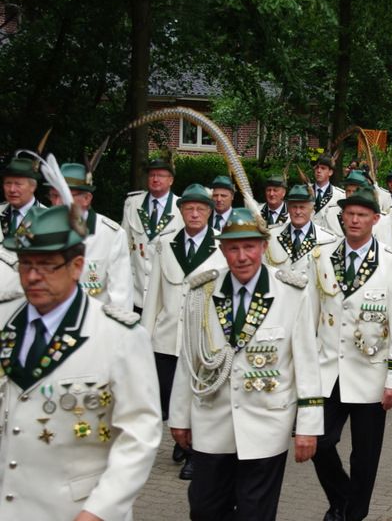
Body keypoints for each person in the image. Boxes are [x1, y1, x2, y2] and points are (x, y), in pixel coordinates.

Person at [0, 204, 161, 520]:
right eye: (25, 264)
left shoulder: (118, 335)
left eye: (47, 266)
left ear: (76, 267)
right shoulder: (5, 318)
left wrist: (99, 510)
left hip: (76, 510)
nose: (32, 277)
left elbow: (139, 434)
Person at [169, 207, 323, 521]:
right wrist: (179, 416)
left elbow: (307, 363)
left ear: (264, 247)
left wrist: (308, 427)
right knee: (205, 509)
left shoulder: (291, 293)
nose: (242, 257)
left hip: (267, 423)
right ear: (222, 249)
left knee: (255, 513)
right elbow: (189, 358)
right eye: (233, 248)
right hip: (212, 422)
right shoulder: (202, 293)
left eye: (249, 246)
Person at [309, 186, 392, 521]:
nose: (354, 220)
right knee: (319, 441)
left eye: (362, 215)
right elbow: (310, 316)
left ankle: (354, 514)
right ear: (341, 217)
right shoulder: (321, 257)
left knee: (365, 456)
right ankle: (341, 497)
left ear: (375, 219)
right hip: (329, 371)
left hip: (371, 373)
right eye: (349, 214)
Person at [141, 184, 227, 481]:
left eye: (200, 209)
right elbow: (154, 294)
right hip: (166, 336)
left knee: (197, 397)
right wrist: (144, 336)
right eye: (189, 208)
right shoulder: (166, 244)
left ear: (209, 213)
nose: (194, 214)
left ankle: (194, 454)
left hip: (202, 339)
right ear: (181, 211)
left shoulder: (221, 244)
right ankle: (181, 438)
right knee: (167, 395)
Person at [48, 163, 133, 310]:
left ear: (87, 198)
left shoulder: (111, 235)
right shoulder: (43, 229)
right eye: (54, 195)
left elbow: (121, 297)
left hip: (93, 320)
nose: (57, 203)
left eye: (64, 196)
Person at [121, 158, 183, 312]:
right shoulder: (132, 204)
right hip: (136, 290)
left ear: (171, 180)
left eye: (160, 175)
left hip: (165, 292)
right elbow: (123, 244)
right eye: (152, 175)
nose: (155, 179)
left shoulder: (181, 207)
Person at [265, 184, 338, 275]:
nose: (298, 212)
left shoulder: (326, 239)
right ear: (288, 208)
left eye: (302, 207)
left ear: (311, 209)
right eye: (294, 207)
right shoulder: (271, 236)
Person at [320, 171, 392, 245]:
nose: (351, 195)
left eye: (355, 191)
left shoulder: (382, 219)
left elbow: (385, 248)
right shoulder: (330, 213)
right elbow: (325, 242)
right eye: (348, 191)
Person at [0, 157, 46, 241]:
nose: (12, 189)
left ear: (33, 187)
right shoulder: (1, 210)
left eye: (18, 184)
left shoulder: (47, 218)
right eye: (8, 183)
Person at [311, 153, 345, 227]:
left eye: (323, 168)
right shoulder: (305, 191)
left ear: (330, 172)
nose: (318, 171)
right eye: (317, 167)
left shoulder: (340, 196)